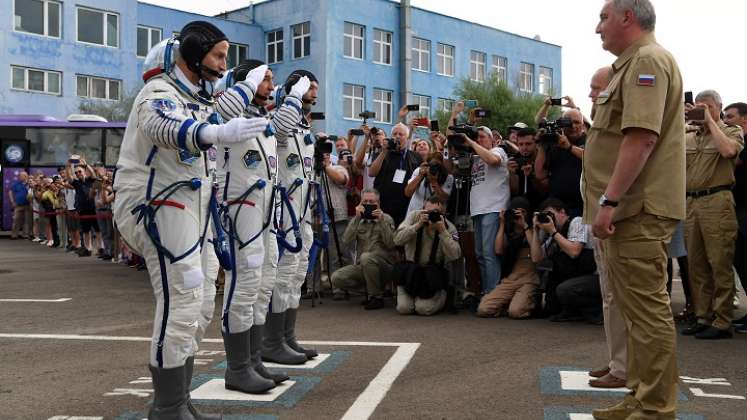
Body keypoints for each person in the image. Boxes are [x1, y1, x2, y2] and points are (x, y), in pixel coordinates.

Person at [112, 21, 271, 418]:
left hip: (192, 208)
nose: (222, 64)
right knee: (181, 298)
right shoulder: (159, 93)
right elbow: (164, 127)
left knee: (199, 304)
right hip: (158, 205)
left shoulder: (198, 100)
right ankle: (167, 408)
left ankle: (179, 400)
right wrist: (213, 134)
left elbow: (220, 109)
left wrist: (246, 91)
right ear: (194, 54)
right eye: (218, 55)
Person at [585, 1, 685, 417]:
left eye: (604, 18)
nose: (597, 28)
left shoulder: (647, 61)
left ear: (628, 17)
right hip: (630, 211)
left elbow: (640, 138)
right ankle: (642, 395)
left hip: (636, 210)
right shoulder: (630, 65)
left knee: (647, 311)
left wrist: (609, 201)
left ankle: (657, 407)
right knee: (637, 313)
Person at [215, 62, 312, 389]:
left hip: (266, 213)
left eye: (271, 79)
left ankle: (255, 360)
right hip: (241, 210)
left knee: (264, 279)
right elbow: (226, 113)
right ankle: (238, 367)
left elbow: (280, 127)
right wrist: (293, 93)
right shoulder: (229, 112)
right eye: (265, 79)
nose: (271, 84)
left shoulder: (264, 119)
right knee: (244, 283)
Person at [262, 69, 320, 369]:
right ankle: (271, 343)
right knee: (283, 274)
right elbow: (279, 134)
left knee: (297, 275)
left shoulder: (303, 124)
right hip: (284, 210)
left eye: (315, 89)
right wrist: (292, 97)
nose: (314, 94)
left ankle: (286, 336)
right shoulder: (280, 118)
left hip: (302, 210)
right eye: (309, 88)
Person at [680, 90, 744, 340]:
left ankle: (722, 320)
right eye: (698, 106)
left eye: (707, 106)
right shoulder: (687, 134)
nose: (701, 110)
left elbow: (728, 152)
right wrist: (681, 118)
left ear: (719, 107)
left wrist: (709, 121)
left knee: (719, 262)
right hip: (690, 202)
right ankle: (703, 316)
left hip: (717, 200)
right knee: (696, 265)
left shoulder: (729, 131)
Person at [457, 126, 510, 296]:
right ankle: (486, 291)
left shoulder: (498, 150)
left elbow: (493, 161)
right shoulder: (475, 156)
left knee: (489, 254)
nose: (478, 140)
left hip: (493, 208)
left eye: (482, 137)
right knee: (479, 254)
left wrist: (471, 142)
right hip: (478, 210)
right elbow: (453, 169)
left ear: (492, 139)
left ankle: (492, 294)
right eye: (476, 137)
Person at [529, 198, 599, 322]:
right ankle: (574, 312)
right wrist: (535, 230)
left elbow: (574, 251)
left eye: (550, 214)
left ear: (562, 212)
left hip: (596, 277)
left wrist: (553, 232)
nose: (549, 218)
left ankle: (596, 313)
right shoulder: (554, 234)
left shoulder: (577, 222)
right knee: (551, 304)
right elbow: (536, 258)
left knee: (565, 289)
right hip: (579, 276)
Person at [394, 196, 460, 315]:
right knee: (404, 308)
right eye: (428, 211)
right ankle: (411, 298)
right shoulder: (414, 216)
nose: (431, 215)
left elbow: (455, 255)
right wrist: (417, 225)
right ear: (423, 209)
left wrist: (442, 232)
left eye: (436, 213)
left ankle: (442, 296)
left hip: (432, 277)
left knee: (423, 309)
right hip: (411, 273)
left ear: (443, 213)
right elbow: (397, 240)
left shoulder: (449, 227)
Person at [331, 188, 396, 310]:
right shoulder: (358, 220)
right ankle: (371, 290)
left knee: (366, 257)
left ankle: (376, 297)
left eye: (372, 202)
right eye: (365, 201)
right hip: (364, 266)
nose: (369, 205)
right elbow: (345, 241)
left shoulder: (386, 219)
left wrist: (381, 222)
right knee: (337, 278)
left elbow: (391, 244)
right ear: (360, 203)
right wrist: (356, 219)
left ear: (379, 203)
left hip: (384, 267)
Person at [477, 197, 539, 319]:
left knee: (515, 312)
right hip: (511, 279)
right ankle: (512, 301)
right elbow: (498, 250)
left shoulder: (533, 230)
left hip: (529, 279)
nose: (518, 215)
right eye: (515, 212)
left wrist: (525, 226)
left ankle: (529, 301)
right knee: (483, 309)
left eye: (522, 212)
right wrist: (502, 224)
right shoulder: (509, 232)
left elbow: (536, 254)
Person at [534, 108, 586, 217]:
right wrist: (542, 145)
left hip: (581, 207)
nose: (573, 126)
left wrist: (569, 147)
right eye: (569, 122)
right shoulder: (554, 142)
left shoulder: (588, 140)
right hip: (557, 207)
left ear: (582, 125)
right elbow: (540, 174)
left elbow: (592, 159)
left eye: (577, 122)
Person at [723, 102, 747, 333]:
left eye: (730, 116)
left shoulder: (739, 141)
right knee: (740, 260)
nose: (726, 120)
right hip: (736, 207)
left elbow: (731, 156)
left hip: (744, 209)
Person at [370, 123, 423, 227]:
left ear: (407, 138)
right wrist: (384, 152)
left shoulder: (415, 156)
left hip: (406, 206)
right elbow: (372, 173)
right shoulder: (382, 153)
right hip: (384, 205)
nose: (397, 136)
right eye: (394, 134)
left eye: (401, 134)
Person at [66, 158, 99, 257]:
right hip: (82, 209)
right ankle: (88, 248)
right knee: (85, 230)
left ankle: (101, 248)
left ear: (84, 171)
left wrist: (86, 164)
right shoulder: (77, 183)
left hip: (93, 208)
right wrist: (68, 166)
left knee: (98, 229)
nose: (78, 174)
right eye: (76, 173)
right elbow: (69, 178)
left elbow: (93, 174)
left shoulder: (90, 180)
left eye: (80, 171)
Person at [507, 127, 546, 211]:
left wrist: (532, 175)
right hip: (521, 206)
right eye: (520, 144)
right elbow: (514, 191)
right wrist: (512, 174)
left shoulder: (544, 158)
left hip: (541, 204)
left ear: (536, 143)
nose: (524, 148)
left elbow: (545, 191)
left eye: (528, 144)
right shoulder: (515, 160)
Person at [9, 171, 31, 240]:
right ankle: (14, 235)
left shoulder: (30, 183)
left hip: (28, 205)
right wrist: (12, 201)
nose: (20, 177)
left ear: (26, 176)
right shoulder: (16, 184)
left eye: (22, 176)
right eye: (20, 176)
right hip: (18, 205)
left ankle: (25, 235)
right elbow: (10, 192)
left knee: (27, 221)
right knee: (16, 220)